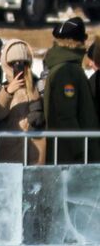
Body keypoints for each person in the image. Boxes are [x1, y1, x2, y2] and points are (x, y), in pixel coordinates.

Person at [42, 17, 99, 164]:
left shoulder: (67, 67)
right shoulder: (67, 71)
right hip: (71, 157)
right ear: (78, 41)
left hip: (70, 153)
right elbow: (66, 116)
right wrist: (81, 151)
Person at [0, 38, 44, 165]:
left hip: (35, 155)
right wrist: (8, 92)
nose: (18, 67)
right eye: (13, 63)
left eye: (23, 63)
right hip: (8, 156)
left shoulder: (38, 86)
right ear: (6, 64)